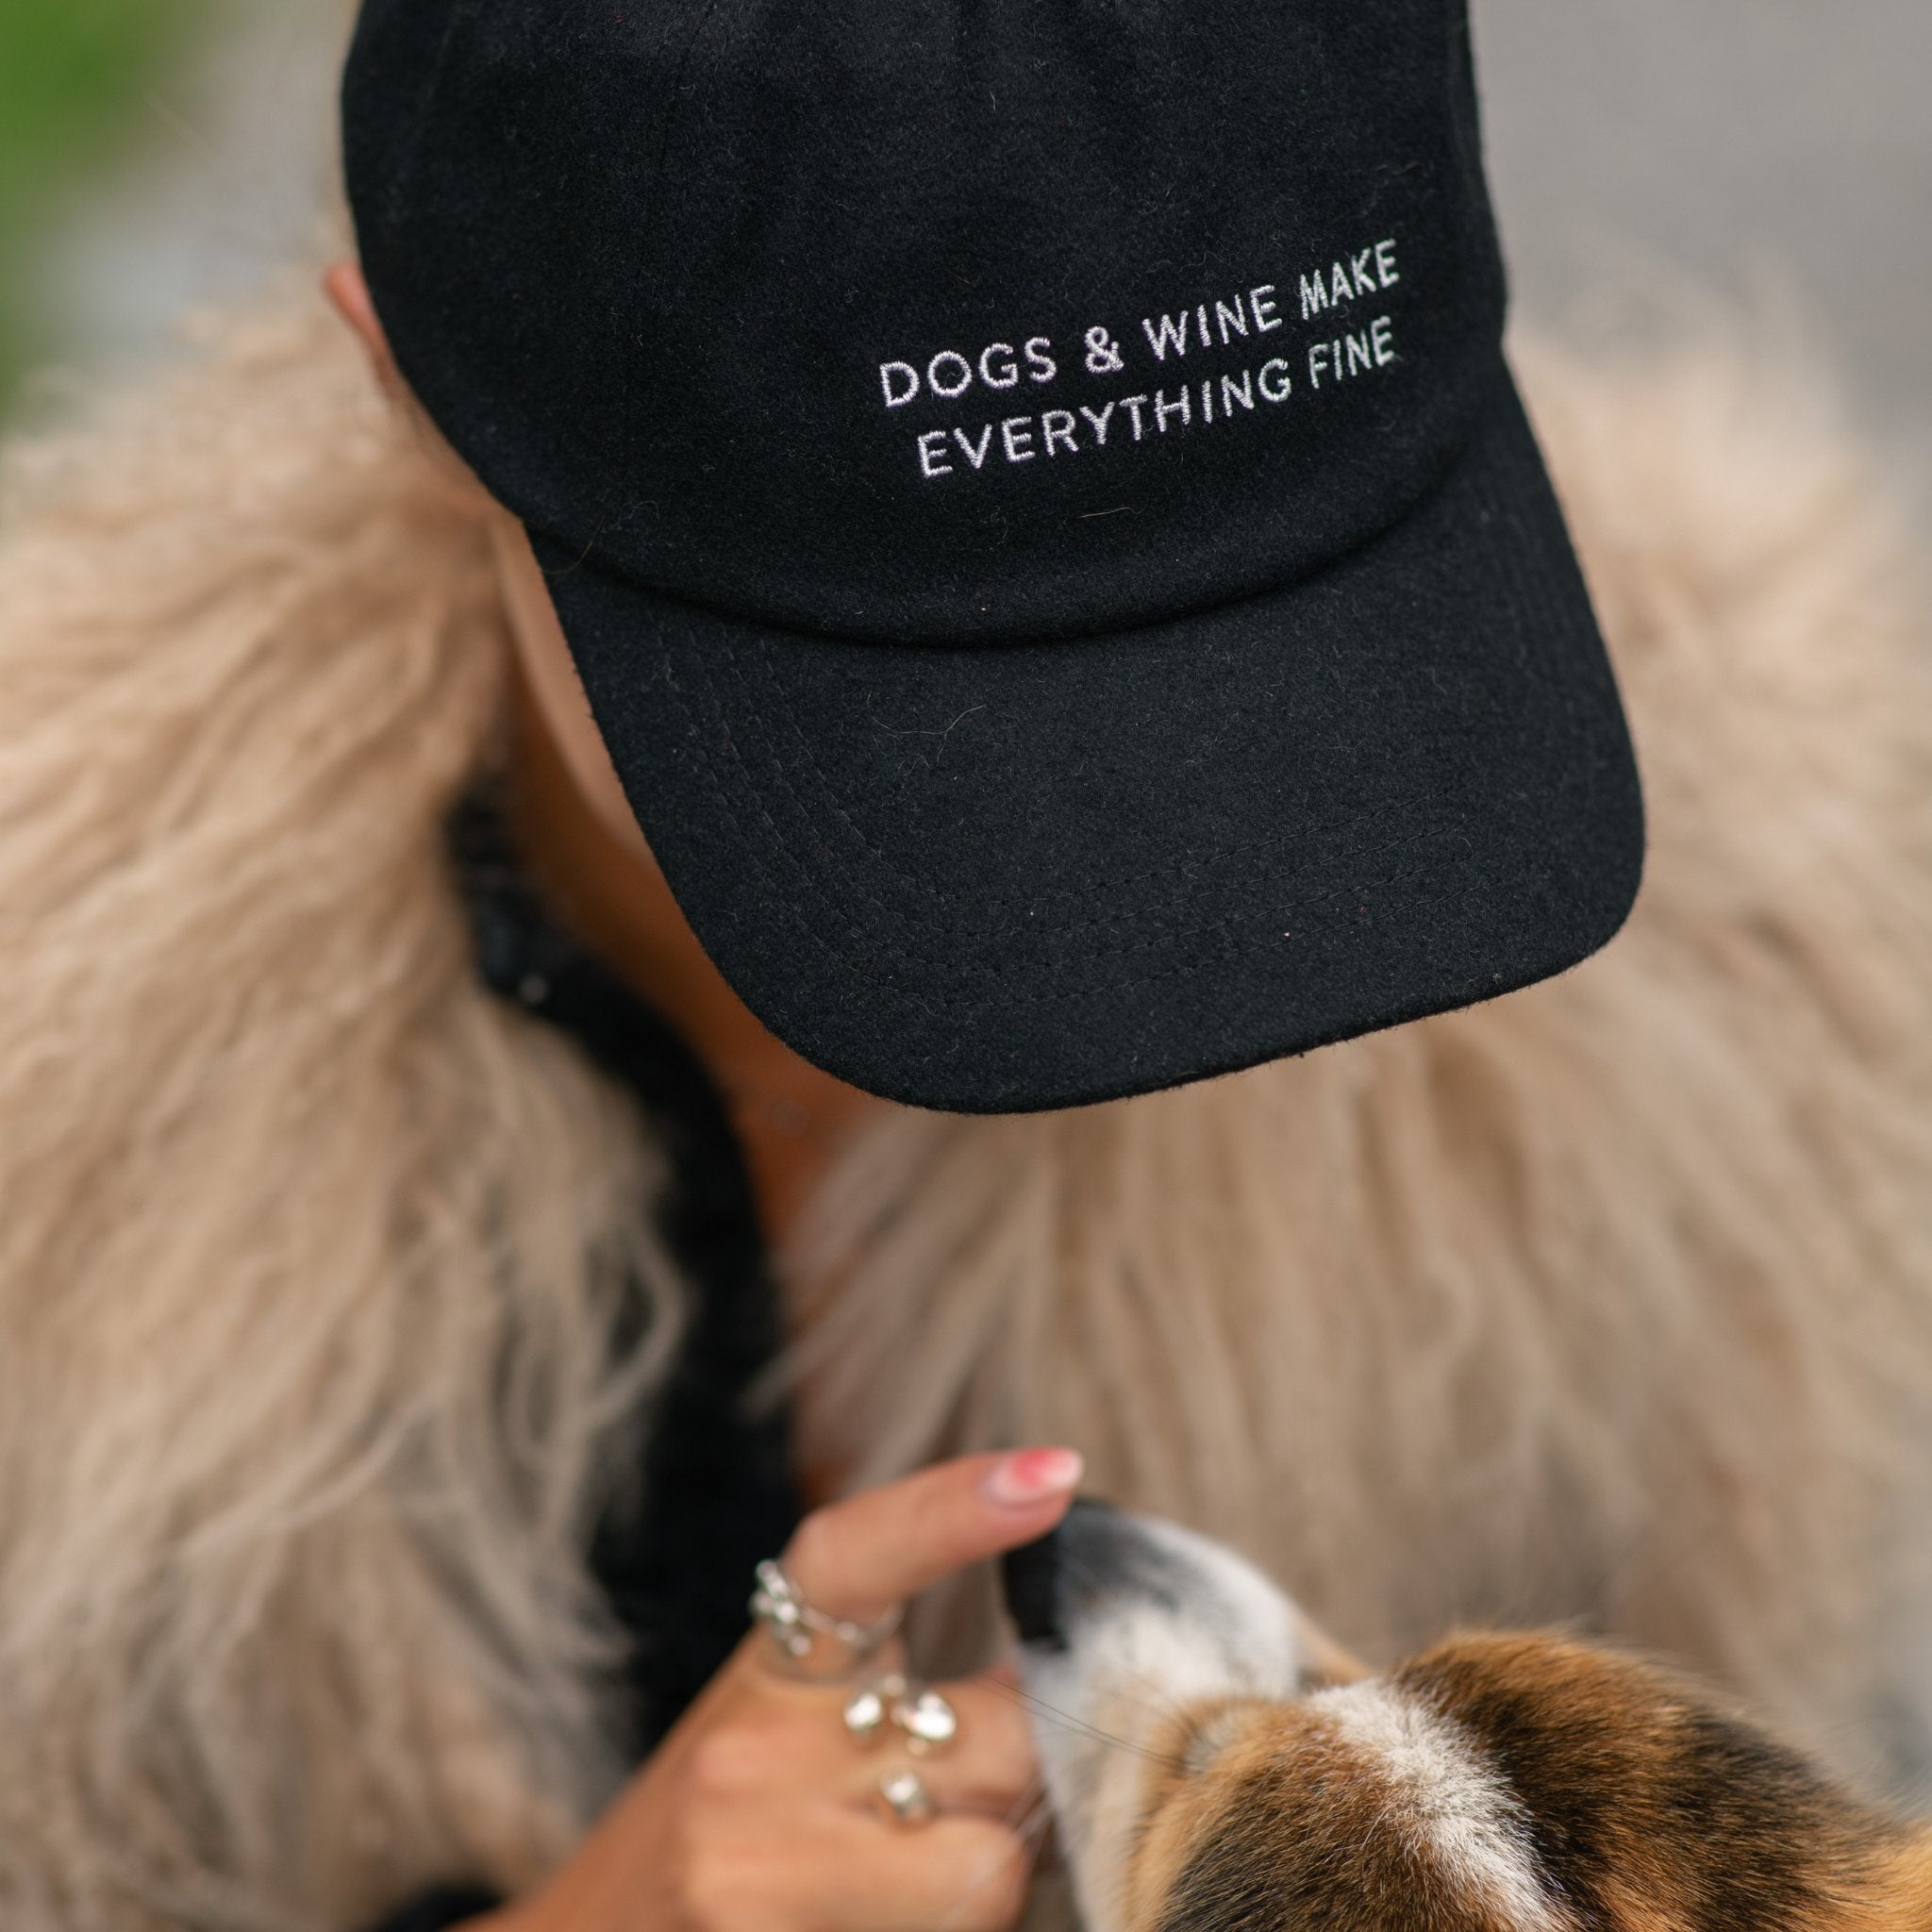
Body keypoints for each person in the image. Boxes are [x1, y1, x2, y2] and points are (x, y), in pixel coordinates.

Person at [3, 2, 1931, 1929]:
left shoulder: (1757, 864)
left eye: (1281, 628)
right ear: (409, 380)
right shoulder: (54, 1095)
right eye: (897, 683)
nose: (1140, 848)